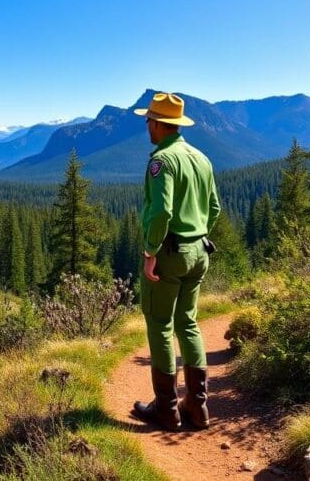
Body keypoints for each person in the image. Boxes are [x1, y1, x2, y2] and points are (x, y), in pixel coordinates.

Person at [131, 92, 220, 431]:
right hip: (199, 251)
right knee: (188, 321)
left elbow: (161, 212)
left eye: (148, 120)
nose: (147, 126)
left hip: (170, 253)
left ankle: (166, 409)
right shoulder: (202, 158)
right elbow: (214, 209)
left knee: (160, 324)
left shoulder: (162, 161)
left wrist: (151, 253)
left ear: (159, 123)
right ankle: (197, 408)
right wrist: (197, 234)